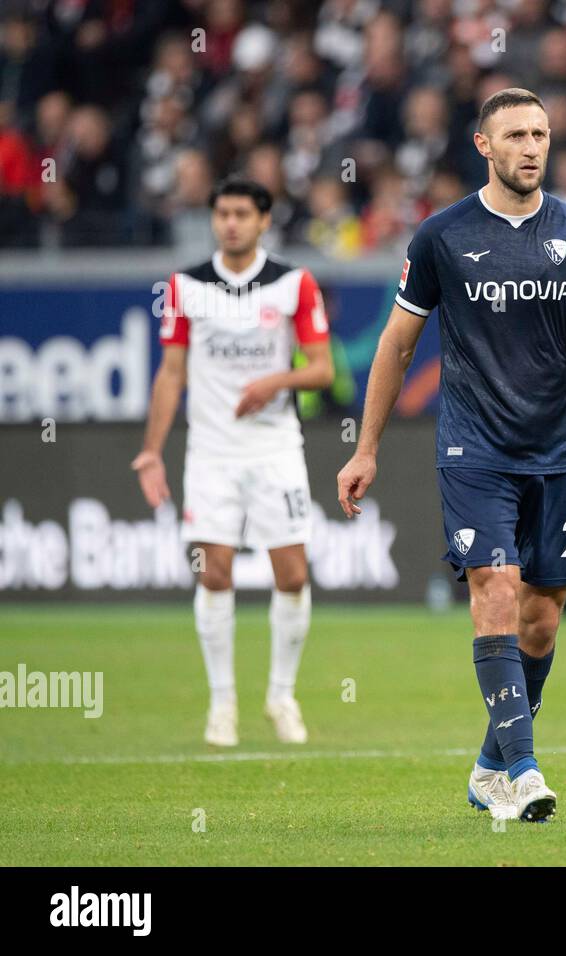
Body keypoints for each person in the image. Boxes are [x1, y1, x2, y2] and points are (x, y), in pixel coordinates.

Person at [335, 88, 566, 821]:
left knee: (542, 618)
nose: (532, 146)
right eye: (516, 135)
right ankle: (525, 772)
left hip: (559, 448)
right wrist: (365, 446)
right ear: (484, 146)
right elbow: (397, 345)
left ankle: (487, 767)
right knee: (495, 591)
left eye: (541, 133)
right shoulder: (441, 236)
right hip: (475, 447)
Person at [132, 177, 334, 747]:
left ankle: (280, 694)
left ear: (264, 220)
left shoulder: (294, 283)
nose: (231, 223)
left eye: (242, 213)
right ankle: (222, 703)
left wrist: (278, 380)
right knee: (212, 572)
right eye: (222, 213)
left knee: (292, 575)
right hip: (212, 452)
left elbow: (321, 369)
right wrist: (151, 450)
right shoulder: (185, 286)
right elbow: (172, 373)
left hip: (274, 450)